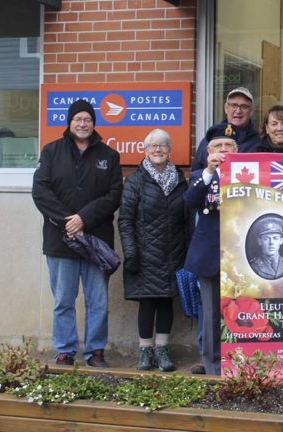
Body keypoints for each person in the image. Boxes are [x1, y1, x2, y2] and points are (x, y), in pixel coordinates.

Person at [32, 99, 122, 367]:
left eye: (87, 119)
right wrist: (66, 221)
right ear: (69, 123)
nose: (83, 124)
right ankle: (65, 351)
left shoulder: (109, 156)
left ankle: (95, 351)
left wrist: (84, 218)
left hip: (96, 240)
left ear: (94, 123)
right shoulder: (51, 152)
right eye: (77, 119)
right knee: (63, 301)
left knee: (98, 301)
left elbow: (114, 195)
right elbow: (41, 191)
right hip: (61, 240)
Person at [118, 129, 189, 372]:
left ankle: (162, 349)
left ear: (169, 150)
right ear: (145, 150)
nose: (158, 150)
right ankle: (145, 351)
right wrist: (131, 253)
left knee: (166, 302)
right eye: (153, 146)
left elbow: (187, 220)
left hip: (173, 252)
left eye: (163, 146)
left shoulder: (180, 180)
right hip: (144, 254)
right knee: (147, 303)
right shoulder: (135, 181)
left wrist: (188, 254)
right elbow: (125, 220)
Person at [183, 123, 240, 375]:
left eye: (229, 146)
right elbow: (189, 202)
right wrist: (208, 171)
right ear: (208, 152)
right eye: (218, 146)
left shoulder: (248, 173)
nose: (224, 150)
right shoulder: (199, 176)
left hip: (240, 256)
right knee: (210, 313)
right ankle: (213, 367)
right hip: (209, 255)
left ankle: (240, 362)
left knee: (242, 310)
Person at [191, 87, 261, 170]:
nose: (238, 111)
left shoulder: (260, 141)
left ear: (251, 111)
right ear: (226, 108)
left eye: (244, 106)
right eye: (234, 105)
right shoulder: (209, 140)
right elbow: (196, 174)